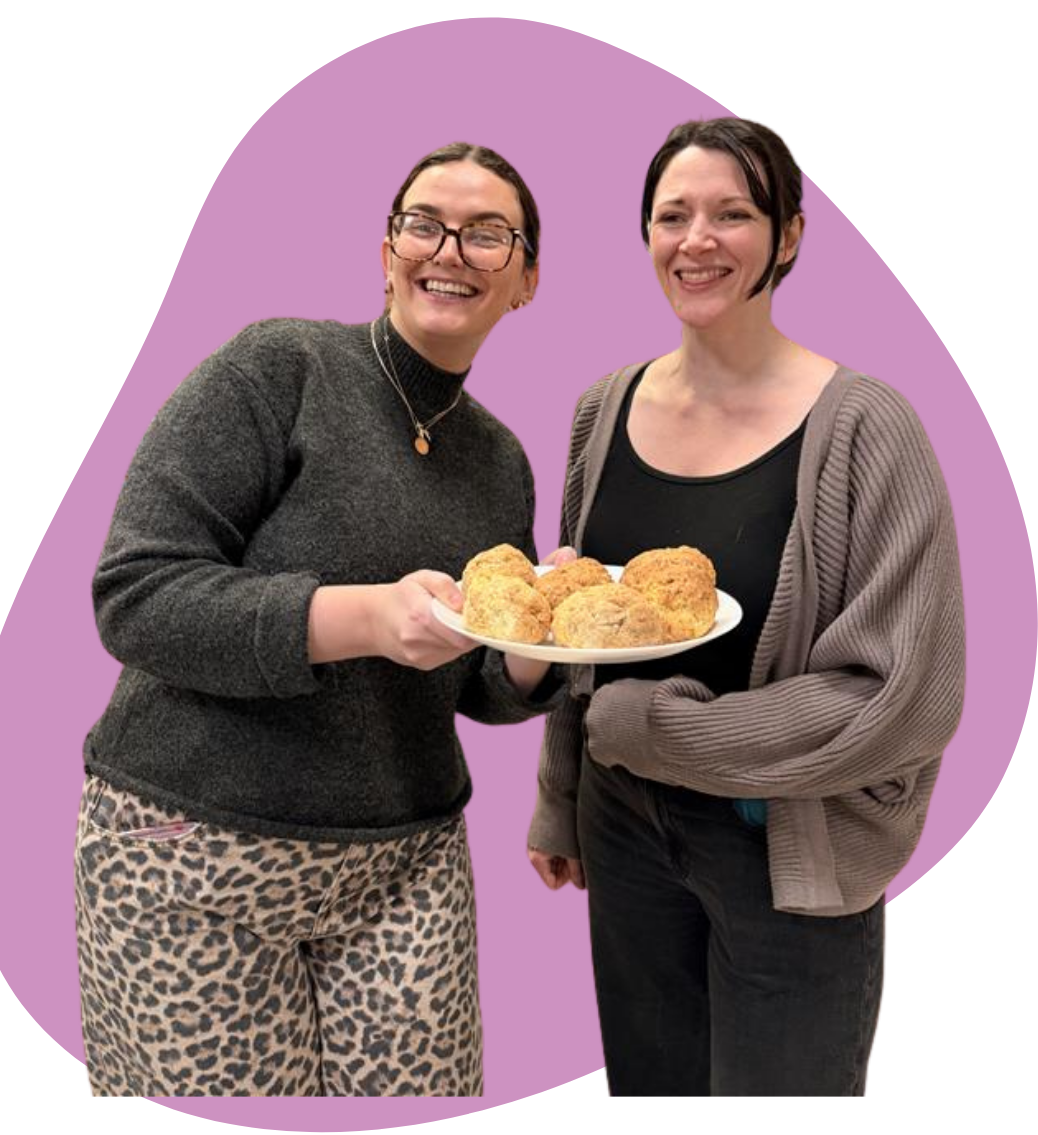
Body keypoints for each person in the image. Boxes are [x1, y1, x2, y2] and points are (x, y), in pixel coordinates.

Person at [75, 142, 566, 1097]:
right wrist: (359, 618)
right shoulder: (279, 366)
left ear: (527, 280)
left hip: (403, 867)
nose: (451, 249)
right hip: (191, 852)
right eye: (425, 224)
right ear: (387, 252)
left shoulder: (501, 458)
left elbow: (468, 682)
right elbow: (134, 592)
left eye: (489, 234)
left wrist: (542, 644)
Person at [526, 118, 965, 1097]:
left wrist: (652, 729)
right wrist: (562, 796)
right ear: (645, 235)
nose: (698, 239)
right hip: (621, 825)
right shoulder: (604, 408)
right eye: (673, 215)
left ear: (791, 235)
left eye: (733, 213)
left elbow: (899, 698)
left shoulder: (867, 428)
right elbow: (585, 625)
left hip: (786, 839)